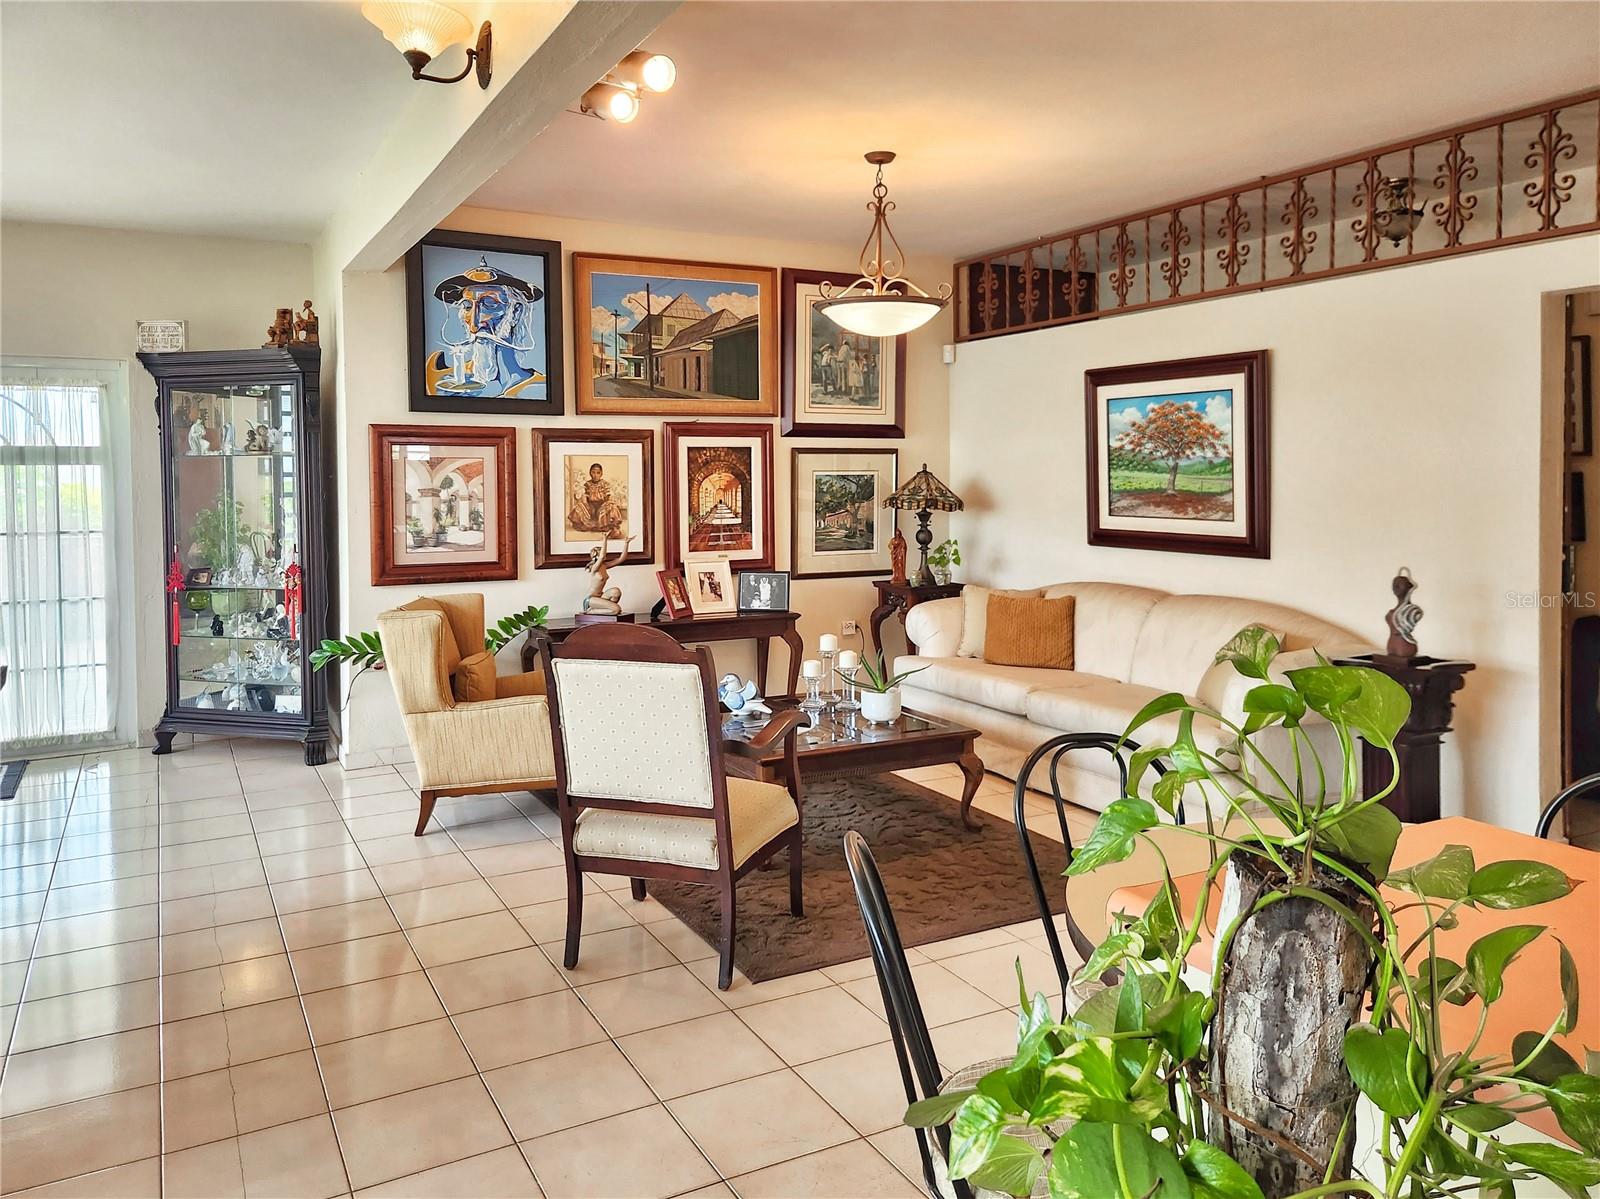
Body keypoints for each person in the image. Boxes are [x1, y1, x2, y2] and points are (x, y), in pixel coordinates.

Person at [568, 462, 624, 535]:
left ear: (601, 474)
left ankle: (612, 527)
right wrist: (586, 504)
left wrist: (607, 504)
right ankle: (586, 525)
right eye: (593, 472)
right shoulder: (587, 484)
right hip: (591, 507)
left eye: (598, 473)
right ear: (590, 473)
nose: (595, 475)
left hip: (601, 506)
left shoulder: (605, 484)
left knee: (612, 506)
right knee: (579, 506)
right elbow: (585, 497)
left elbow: (608, 496)